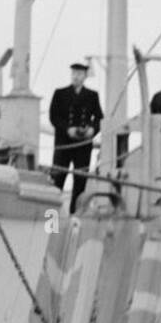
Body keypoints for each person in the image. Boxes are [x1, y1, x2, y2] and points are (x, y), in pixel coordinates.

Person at [49, 61, 102, 212]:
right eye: (74, 73)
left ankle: (75, 218)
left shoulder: (92, 95)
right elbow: (54, 117)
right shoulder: (60, 93)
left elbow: (99, 117)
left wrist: (92, 130)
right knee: (56, 182)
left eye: (79, 74)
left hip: (83, 146)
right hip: (64, 144)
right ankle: (50, 225)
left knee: (80, 184)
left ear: (85, 76)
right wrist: (68, 129)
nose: (76, 77)